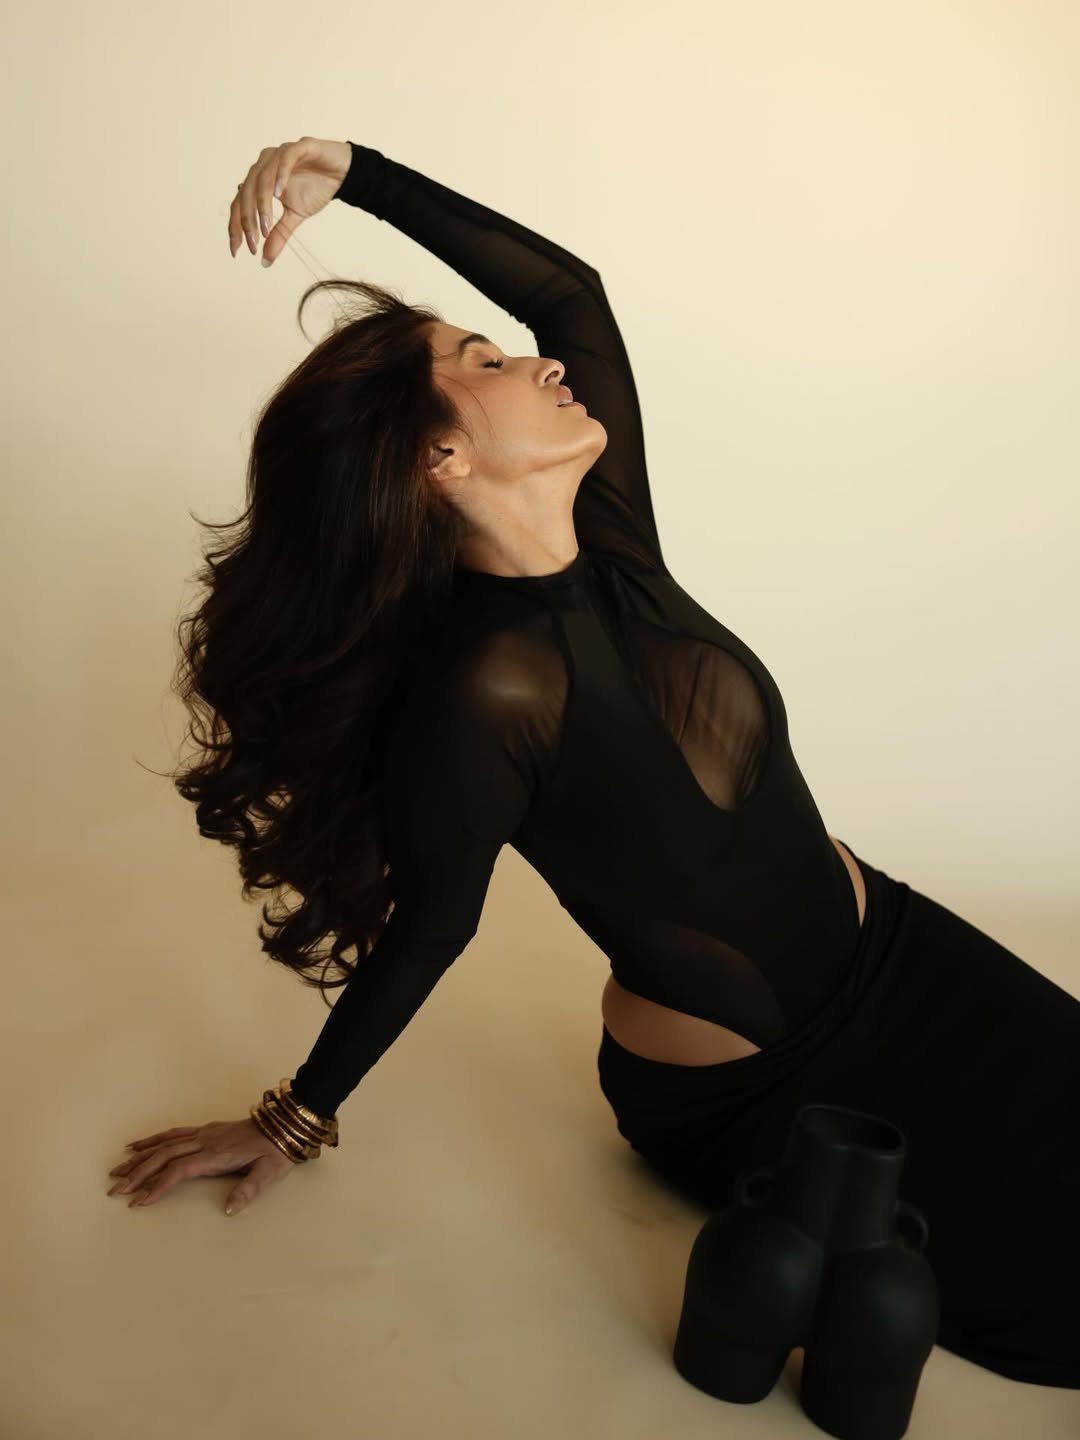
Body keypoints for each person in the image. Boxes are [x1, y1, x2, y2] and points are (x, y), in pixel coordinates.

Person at [109, 137, 1079, 1390]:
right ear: (439, 462)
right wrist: (293, 1120)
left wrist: (356, 173)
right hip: (764, 1082)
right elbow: (431, 929)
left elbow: (573, 295)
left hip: (897, 950)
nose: (541, 362)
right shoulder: (483, 695)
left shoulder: (612, 536)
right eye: (485, 364)